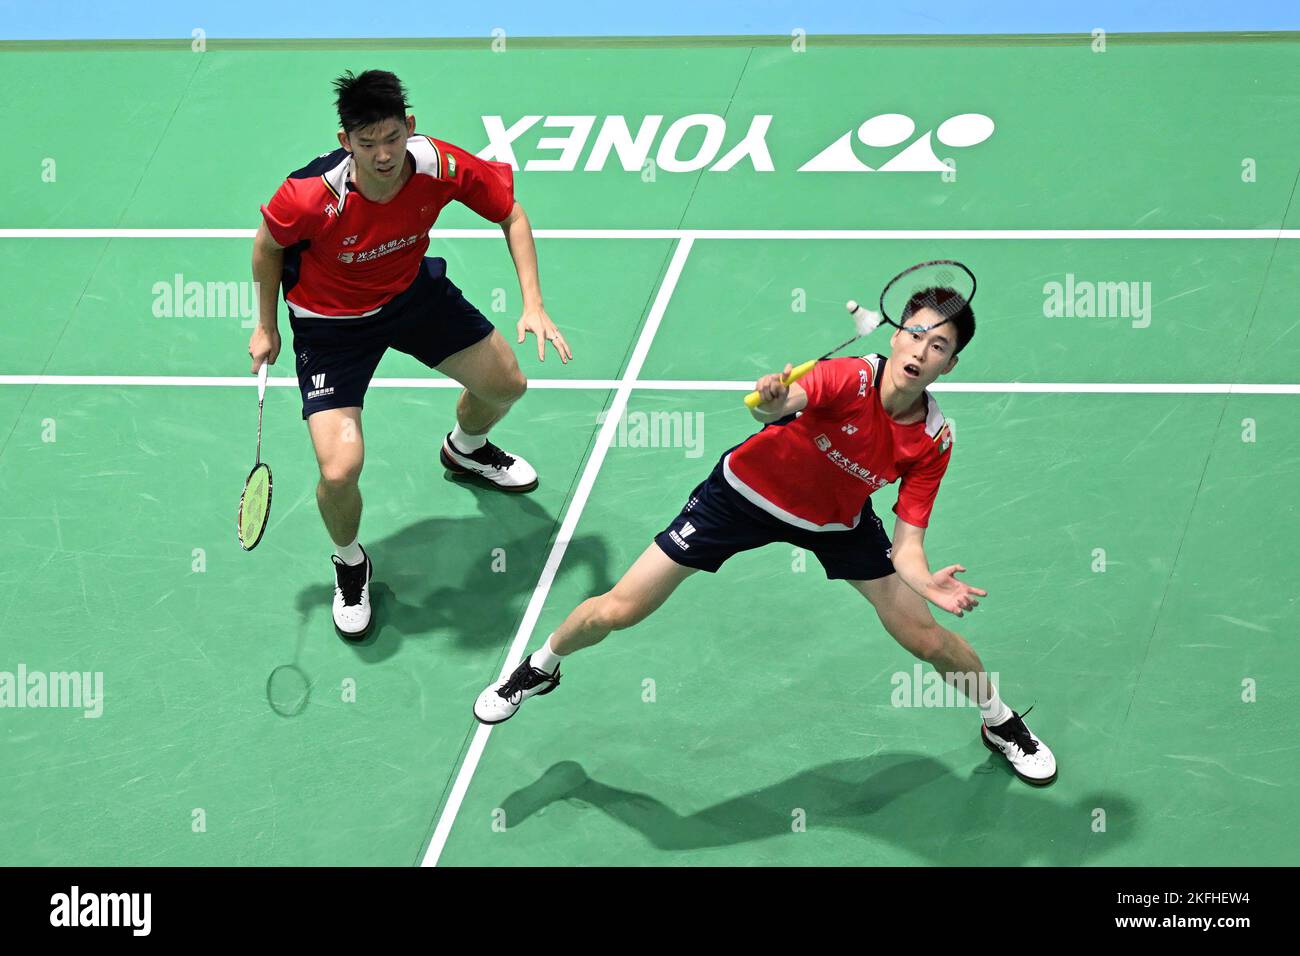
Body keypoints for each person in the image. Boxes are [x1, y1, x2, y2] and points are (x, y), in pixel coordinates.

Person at [474, 289, 1056, 786]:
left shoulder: (933, 438)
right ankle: (542, 665)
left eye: (941, 346)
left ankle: (999, 719)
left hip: (836, 523)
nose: (923, 351)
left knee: (927, 639)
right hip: (741, 499)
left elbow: (907, 544)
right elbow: (778, 407)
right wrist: (776, 400)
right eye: (919, 334)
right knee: (619, 610)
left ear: (949, 365)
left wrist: (926, 583)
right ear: (897, 334)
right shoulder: (846, 375)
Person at [248, 69, 570, 641]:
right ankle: (350, 563)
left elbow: (510, 213)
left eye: (392, 138)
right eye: (367, 143)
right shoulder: (309, 196)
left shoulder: (438, 165)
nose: (382, 154)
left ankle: (466, 450)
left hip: (409, 295)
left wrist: (533, 303)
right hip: (330, 328)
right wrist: (267, 326)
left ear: (409, 128)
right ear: (345, 141)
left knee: (506, 385)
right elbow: (268, 246)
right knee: (339, 469)